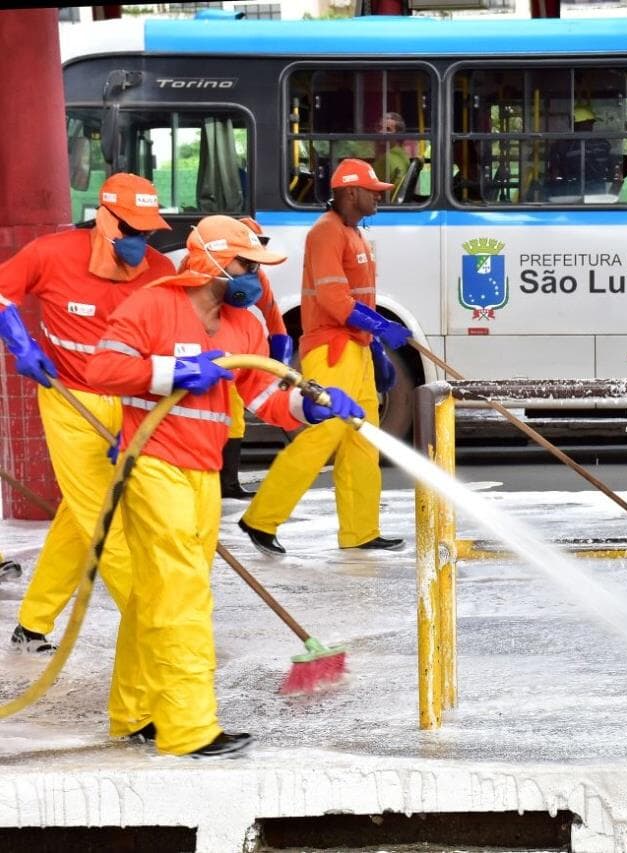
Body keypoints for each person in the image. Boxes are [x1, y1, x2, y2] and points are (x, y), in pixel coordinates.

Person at [86, 214, 365, 757]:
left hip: (203, 474)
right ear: (210, 261)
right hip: (154, 465)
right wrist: (171, 373)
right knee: (182, 596)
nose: (254, 280)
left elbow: (262, 396)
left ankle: (135, 711)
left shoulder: (245, 327)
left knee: (153, 595)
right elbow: (102, 370)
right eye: (245, 265)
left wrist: (305, 407)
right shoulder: (153, 305)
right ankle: (188, 729)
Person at [0, 172, 175, 656]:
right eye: (130, 231)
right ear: (104, 218)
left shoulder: (161, 270)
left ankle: (32, 623)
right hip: (69, 399)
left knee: (80, 518)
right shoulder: (51, 254)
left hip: (134, 402)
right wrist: (19, 339)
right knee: (106, 519)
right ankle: (155, 631)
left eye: (146, 233)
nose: (139, 242)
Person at [238, 159, 411, 555]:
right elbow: (334, 301)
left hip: (357, 348)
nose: (380, 197)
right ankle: (260, 518)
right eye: (373, 191)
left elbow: (355, 300)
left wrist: (375, 345)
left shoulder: (354, 234)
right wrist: (381, 327)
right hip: (331, 350)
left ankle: (360, 532)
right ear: (351, 193)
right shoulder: (325, 234)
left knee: (363, 440)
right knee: (327, 433)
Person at [214, 217, 293, 500]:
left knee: (235, 417)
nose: (253, 267)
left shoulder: (256, 280)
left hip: (238, 351)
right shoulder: (201, 280)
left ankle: (228, 482)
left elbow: (275, 320)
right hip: (210, 356)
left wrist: (279, 367)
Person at [547, 104, 615, 198]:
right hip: (598, 193)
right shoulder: (603, 143)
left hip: (570, 193)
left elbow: (554, 175)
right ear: (581, 123)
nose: (592, 126)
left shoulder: (561, 145)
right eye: (590, 123)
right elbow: (612, 172)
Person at [374, 111, 416, 197]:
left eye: (388, 129)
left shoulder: (387, 159)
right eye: (379, 127)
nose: (381, 132)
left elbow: (372, 189)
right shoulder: (402, 155)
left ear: (398, 135)